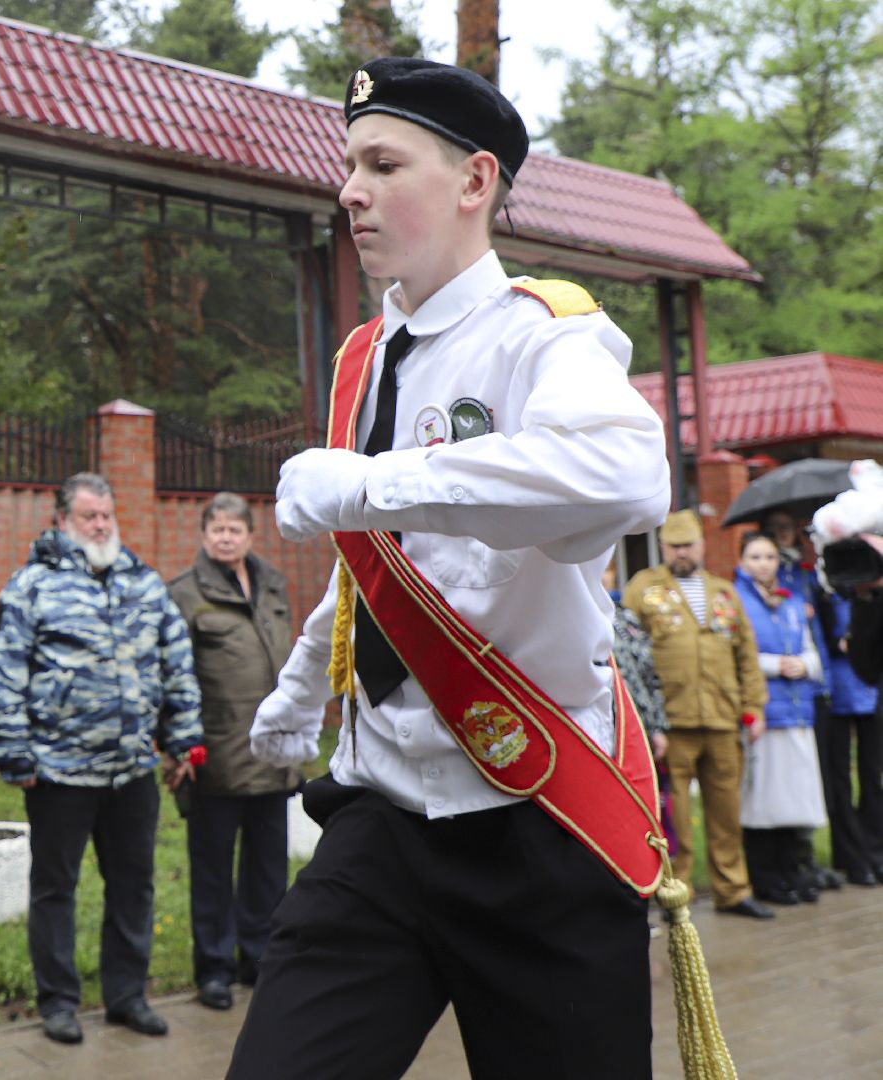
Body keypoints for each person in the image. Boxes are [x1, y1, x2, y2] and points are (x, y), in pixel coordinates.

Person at [230, 57, 673, 1079]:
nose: (350, 188)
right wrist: (305, 686)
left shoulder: (540, 333)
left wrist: (373, 484)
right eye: (348, 165)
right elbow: (383, 575)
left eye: (383, 163)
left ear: (475, 182)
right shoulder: (361, 357)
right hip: (378, 817)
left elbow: (624, 474)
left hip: (536, 828)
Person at [0, 472, 202, 1045]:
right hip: (59, 771)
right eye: (89, 517)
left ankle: (127, 995)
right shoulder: (31, 587)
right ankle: (58, 1002)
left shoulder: (143, 583)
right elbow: (7, 676)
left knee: (134, 886)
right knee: (55, 889)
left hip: (132, 770)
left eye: (107, 515)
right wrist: (14, 754)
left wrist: (182, 738)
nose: (101, 525)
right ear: (63, 522)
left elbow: (176, 663)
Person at [166, 493, 297, 1012]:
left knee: (268, 866)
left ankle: (258, 957)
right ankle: (214, 968)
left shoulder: (273, 586)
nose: (225, 537)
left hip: (272, 753)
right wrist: (179, 744)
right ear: (204, 535)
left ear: (249, 535)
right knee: (213, 868)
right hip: (214, 754)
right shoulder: (182, 594)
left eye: (234, 529)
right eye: (216, 529)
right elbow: (171, 677)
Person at [626, 510, 772, 918]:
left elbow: (746, 653)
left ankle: (733, 890)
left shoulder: (723, 591)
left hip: (723, 720)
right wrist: (645, 719)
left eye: (689, 544)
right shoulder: (642, 588)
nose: (683, 552)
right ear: (663, 547)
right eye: (674, 546)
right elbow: (629, 653)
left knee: (726, 813)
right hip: (671, 724)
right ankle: (679, 895)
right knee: (676, 817)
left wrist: (754, 707)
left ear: (702, 545)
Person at [732, 531, 827, 904]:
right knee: (765, 797)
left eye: (769, 557)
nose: (763, 564)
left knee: (796, 796)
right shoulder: (735, 601)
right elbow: (734, 656)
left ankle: (794, 868)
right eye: (755, 557)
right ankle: (766, 875)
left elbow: (813, 655)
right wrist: (774, 664)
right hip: (765, 712)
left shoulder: (793, 602)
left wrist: (801, 664)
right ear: (741, 562)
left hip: (798, 711)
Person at [761, 509, 844, 894]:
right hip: (785, 694)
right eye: (777, 531)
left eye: (789, 530)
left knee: (815, 779)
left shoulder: (810, 575)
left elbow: (824, 633)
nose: (785, 536)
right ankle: (792, 862)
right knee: (787, 783)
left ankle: (808, 858)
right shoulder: (774, 583)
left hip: (814, 683)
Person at [606, 559, 674, 856]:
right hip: (605, 729)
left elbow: (651, 675)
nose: (600, 577)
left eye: (606, 570)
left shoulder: (627, 619)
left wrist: (657, 727)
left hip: (640, 727)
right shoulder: (575, 619)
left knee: (646, 805)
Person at [819, 585, 883, 885]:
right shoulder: (819, 589)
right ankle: (850, 856)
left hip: (871, 691)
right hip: (834, 692)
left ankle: (874, 851)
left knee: (873, 775)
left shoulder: (872, 588)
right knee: (839, 779)